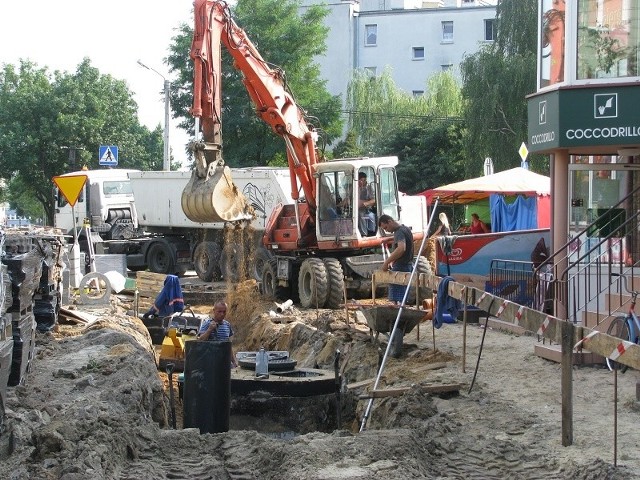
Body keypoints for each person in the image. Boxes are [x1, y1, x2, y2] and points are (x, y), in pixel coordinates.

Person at [379, 214, 414, 304]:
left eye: (386, 227)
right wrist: (390, 239)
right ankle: (401, 311)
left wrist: (386, 262)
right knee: (403, 295)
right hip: (408, 264)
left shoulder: (399, 232)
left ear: (390, 221)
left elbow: (401, 248)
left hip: (401, 265)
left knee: (397, 298)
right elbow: (402, 238)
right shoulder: (405, 228)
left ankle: (398, 312)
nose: (387, 230)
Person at [198, 301, 238, 367]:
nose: (222, 314)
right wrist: (209, 330)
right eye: (219, 311)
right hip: (210, 362)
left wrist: (234, 361)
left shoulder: (227, 325)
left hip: (224, 361)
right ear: (214, 311)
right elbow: (200, 341)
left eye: (224, 312)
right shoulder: (207, 323)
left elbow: (228, 345)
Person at [357, 172, 376, 236]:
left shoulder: (369, 188)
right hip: (356, 208)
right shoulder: (354, 187)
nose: (363, 182)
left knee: (360, 213)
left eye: (364, 180)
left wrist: (365, 203)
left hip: (368, 211)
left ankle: (364, 234)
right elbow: (348, 198)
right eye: (361, 180)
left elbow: (374, 200)